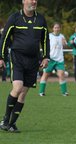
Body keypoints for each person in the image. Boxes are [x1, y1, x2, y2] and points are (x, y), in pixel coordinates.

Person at [0, 0, 50, 133]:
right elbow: (4, 38)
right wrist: (1, 57)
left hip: (34, 61)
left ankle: (12, 123)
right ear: (23, 1)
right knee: (17, 88)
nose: (33, 1)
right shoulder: (15, 18)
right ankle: (5, 120)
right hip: (18, 58)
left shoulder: (40, 19)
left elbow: (45, 39)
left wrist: (46, 57)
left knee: (23, 93)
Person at [39, 22, 69, 96]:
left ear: (60, 28)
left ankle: (64, 92)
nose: (57, 29)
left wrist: (64, 44)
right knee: (45, 75)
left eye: (58, 27)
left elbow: (65, 45)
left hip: (59, 60)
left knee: (61, 74)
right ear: (53, 28)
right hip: (50, 59)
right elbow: (45, 45)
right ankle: (41, 92)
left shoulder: (62, 36)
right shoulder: (49, 36)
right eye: (55, 27)